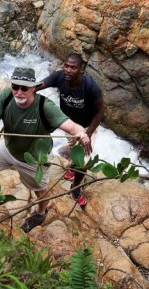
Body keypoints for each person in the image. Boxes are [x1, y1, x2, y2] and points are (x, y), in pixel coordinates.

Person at [0, 67, 91, 233]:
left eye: (24, 88)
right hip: (7, 148)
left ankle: (41, 213)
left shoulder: (44, 106)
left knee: (41, 192)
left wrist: (81, 133)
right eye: (15, 87)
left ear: (33, 88)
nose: (19, 92)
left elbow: (71, 126)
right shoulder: (5, 96)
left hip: (34, 158)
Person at [36, 53, 104, 207]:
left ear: (81, 69)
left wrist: (88, 134)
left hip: (88, 127)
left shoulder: (90, 86)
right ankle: (72, 166)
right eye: (66, 66)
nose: (68, 70)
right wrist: (24, 90)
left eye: (73, 67)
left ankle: (75, 188)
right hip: (69, 125)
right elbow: (41, 85)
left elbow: (100, 112)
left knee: (83, 161)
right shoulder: (60, 77)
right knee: (74, 149)